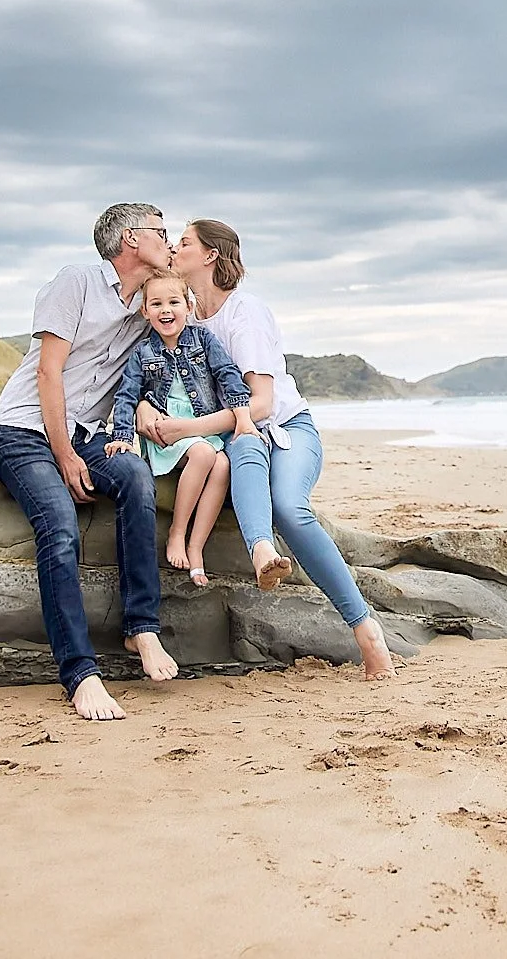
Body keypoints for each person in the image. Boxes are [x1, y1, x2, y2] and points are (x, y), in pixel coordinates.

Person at [167, 219, 395, 679]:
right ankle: (261, 555)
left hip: (289, 427)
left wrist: (184, 427)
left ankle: (366, 628)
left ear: (211, 255)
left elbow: (263, 403)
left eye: (184, 242)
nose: (174, 246)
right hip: (241, 436)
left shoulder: (244, 311)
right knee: (243, 451)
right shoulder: (185, 317)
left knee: (290, 507)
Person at [0, 203, 181, 721]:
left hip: (88, 434)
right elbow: (50, 373)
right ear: (132, 240)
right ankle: (80, 674)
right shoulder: (75, 282)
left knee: (136, 477)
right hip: (24, 431)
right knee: (61, 525)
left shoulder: (148, 304)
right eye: (162, 233)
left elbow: (187, 323)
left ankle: (142, 628)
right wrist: (65, 454)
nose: (169, 240)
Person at [104, 271, 259, 586]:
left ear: (188, 306)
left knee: (223, 464)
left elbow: (228, 374)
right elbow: (126, 396)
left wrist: (243, 416)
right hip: (167, 430)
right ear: (145, 311)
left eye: (173, 302)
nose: (166, 310)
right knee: (203, 454)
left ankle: (196, 546)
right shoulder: (142, 353)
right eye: (156, 304)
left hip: (201, 425)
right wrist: (123, 437)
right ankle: (176, 533)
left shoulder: (203, 340)